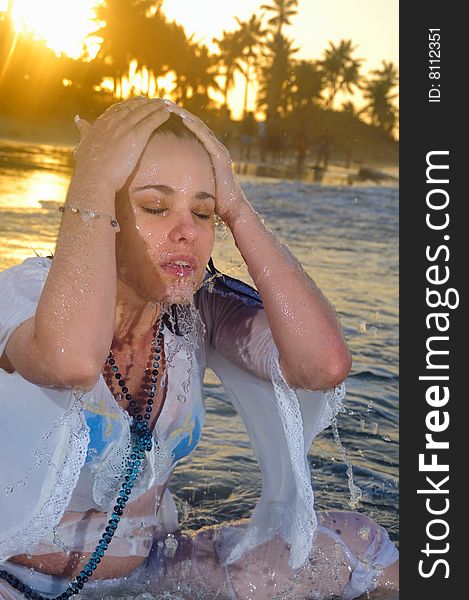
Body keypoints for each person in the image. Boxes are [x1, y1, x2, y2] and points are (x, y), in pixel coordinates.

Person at [0, 97, 398, 599]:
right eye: (155, 207)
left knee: (364, 549)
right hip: (14, 579)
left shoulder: (197, 311)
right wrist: (93, 177)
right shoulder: (26, 293)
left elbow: (323, 364)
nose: (187, 232)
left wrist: (238, 208)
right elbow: (72, 361)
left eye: (204, 212)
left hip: (149, 576)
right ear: (103, 214)